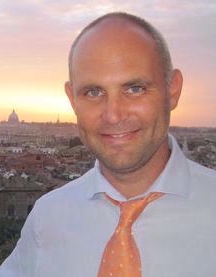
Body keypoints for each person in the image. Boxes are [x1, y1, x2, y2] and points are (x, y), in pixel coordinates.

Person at [1, 12, 216, 277]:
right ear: (72, 99)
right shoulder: (47, 217)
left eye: (134, 88)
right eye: (93, 92)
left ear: (172, 90)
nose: (113, 115)